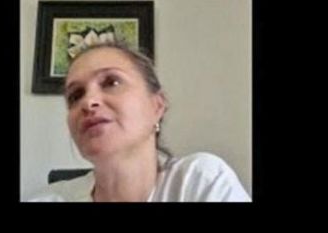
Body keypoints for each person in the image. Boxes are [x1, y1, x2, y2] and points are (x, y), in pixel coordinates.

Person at [26, 42, 251, 202]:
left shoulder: (200, 180)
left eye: (112, 82)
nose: (88, 102)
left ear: (157, 106)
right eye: (75, 96)